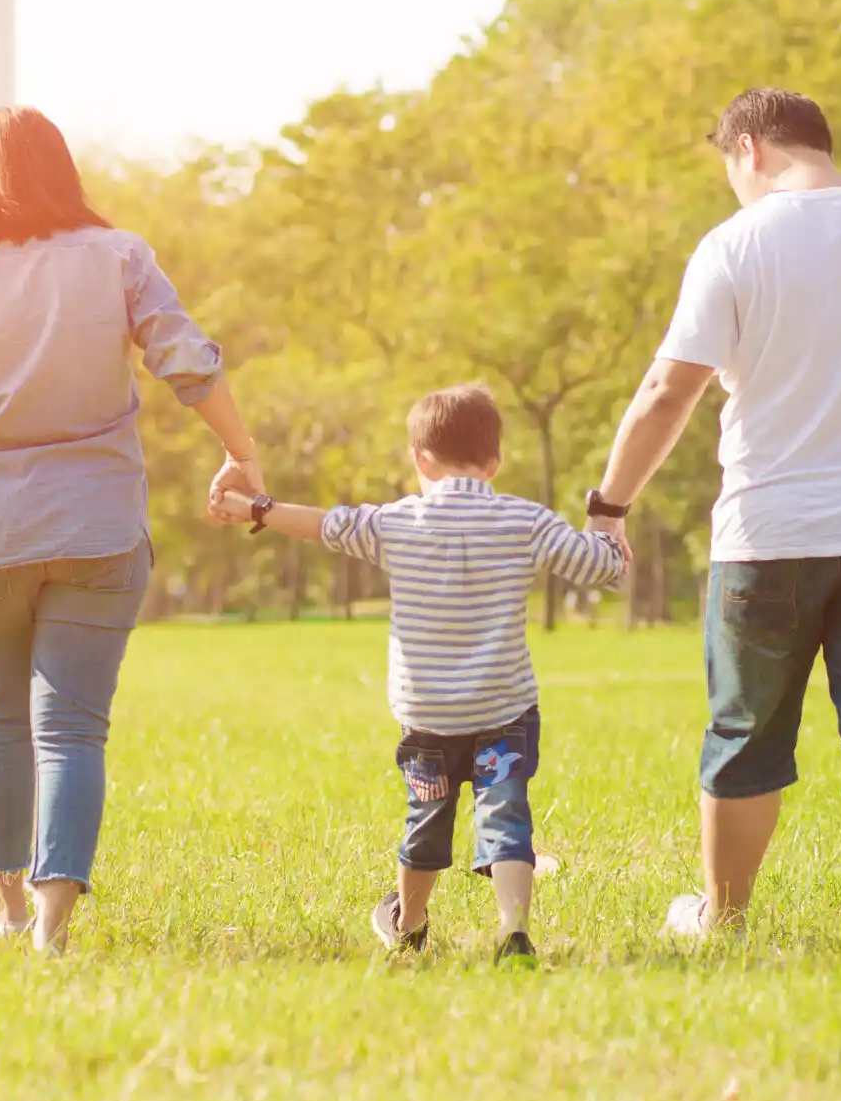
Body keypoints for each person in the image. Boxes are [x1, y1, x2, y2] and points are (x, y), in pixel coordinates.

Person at [584, 88, 841, 962]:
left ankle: (724, 920)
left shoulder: (736, 244)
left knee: (745, 731)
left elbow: (668, 392)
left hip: (766, 533)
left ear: (750, 151)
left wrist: (611, 502)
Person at [0, 106, 262, 955]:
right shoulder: (119, 258)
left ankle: (2, 909)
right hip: (99, 529)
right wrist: (241, 452)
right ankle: (51, 927)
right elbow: (186, 358)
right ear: (62, 171)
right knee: (72, 727)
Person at [213, 383, 626, 962]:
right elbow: (601, 567)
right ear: (496, 460)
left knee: (427, 815)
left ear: (419, 458)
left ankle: (407, 921)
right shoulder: (524, 521)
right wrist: (609, 523)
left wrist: (253, 508)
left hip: (428, 718)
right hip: (503, 711)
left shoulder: (395, 522)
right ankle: (513, 931)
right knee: (505, 812)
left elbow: (321, 524)